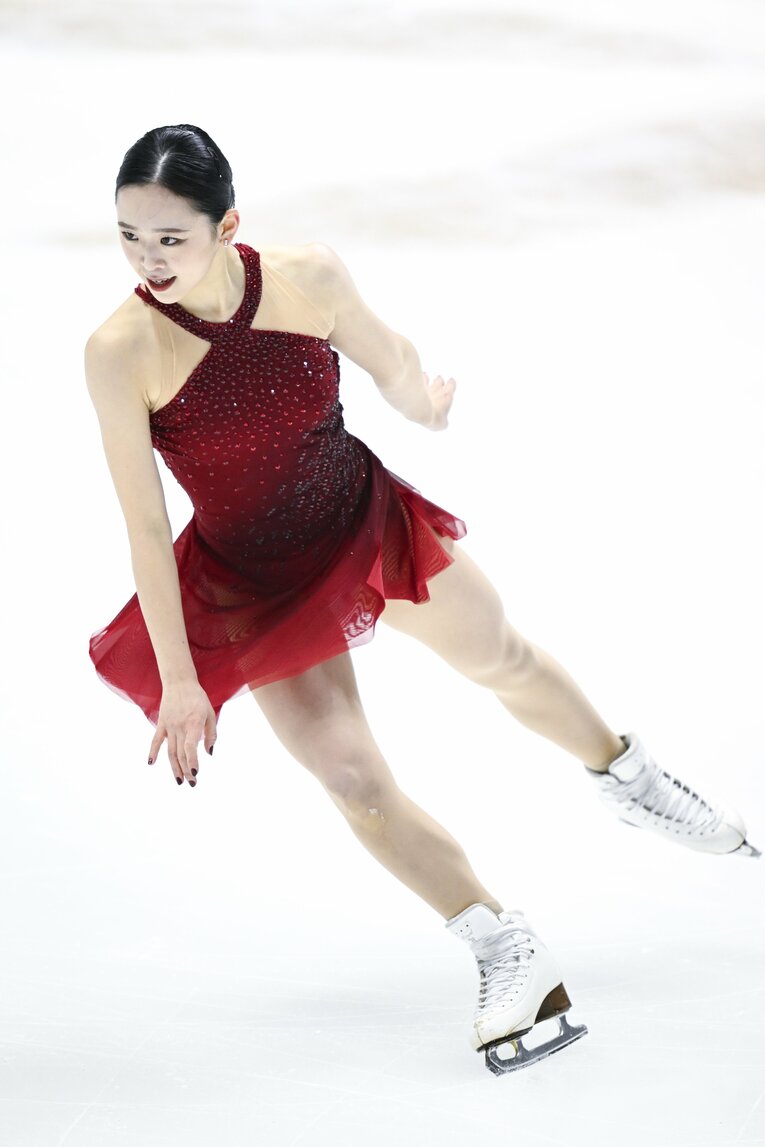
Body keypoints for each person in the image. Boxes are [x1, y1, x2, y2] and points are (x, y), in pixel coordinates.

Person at [85, 124, 760, 1076]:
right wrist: (182, 678)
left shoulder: (306, 275)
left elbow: (386, 353)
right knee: (355, 784)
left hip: (361, 518)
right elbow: (145, 527)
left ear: (226, 223)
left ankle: (629, 778)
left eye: (168, 237)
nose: (146, 260)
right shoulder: (118, 351)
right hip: (255, 584)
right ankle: (503, 945)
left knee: (503, 657)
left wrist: (421, 403)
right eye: (126, 236)